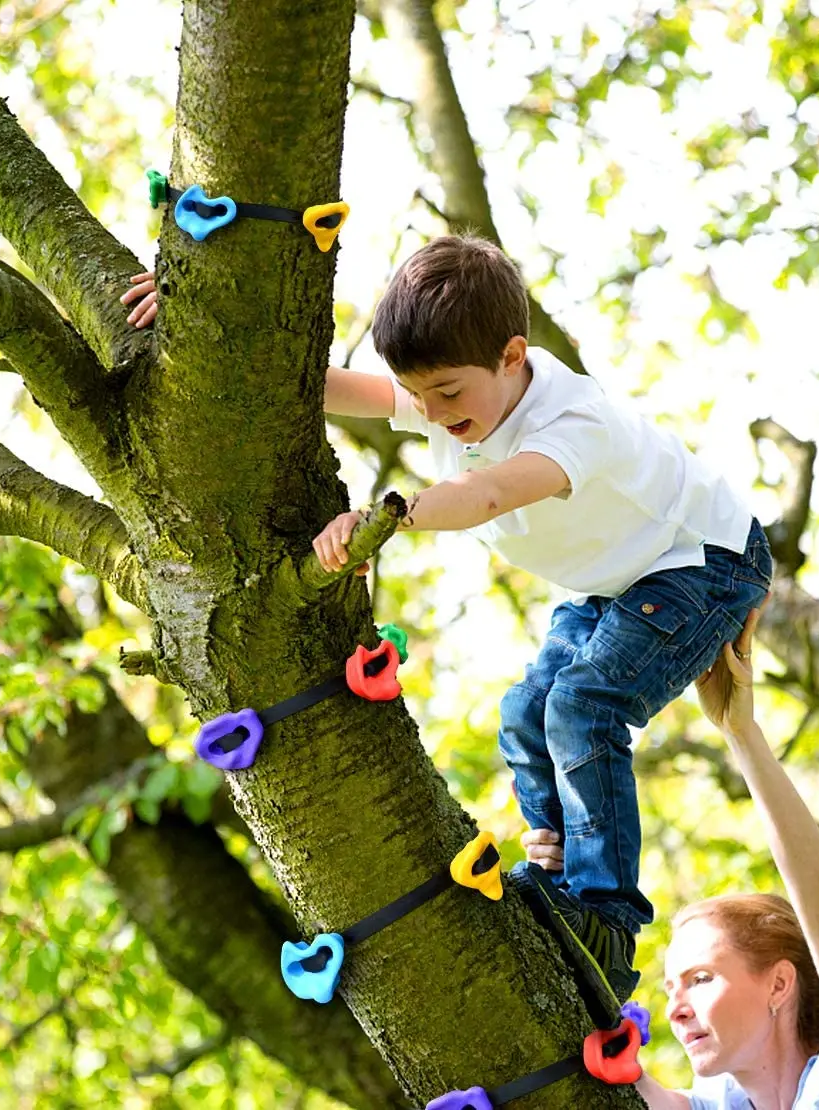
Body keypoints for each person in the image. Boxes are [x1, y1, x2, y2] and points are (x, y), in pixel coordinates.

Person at [120, 234, 773, 1013]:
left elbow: (491, 495)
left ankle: (605, 918)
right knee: (525, 715)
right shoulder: (457, 389)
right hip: (615, 580)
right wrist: (207, 339)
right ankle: (562, 874)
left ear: (512, 356)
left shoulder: (571, 421)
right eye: (417, 393)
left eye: (447, 395)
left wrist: (386, 521)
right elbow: (340, 389)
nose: (431, 413)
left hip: (702, 560)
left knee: (583, 707)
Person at [524, 608, 819, 1110]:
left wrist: (742, 733)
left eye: (700, 979)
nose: (674, 1010)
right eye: (673, 986)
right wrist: (553, 884)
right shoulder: (717, 1103)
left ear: (780, 984)